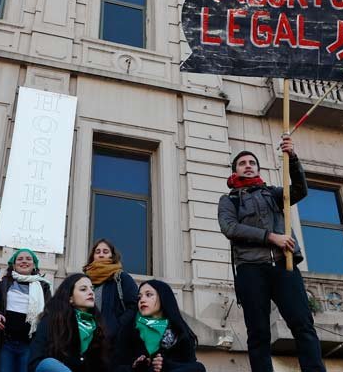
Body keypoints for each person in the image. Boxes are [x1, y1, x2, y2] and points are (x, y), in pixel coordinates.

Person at [217, 134, 325, 372]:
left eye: (252, 163)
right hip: (250, 270)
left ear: (257, 169)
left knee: (303, 325)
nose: (248, 166)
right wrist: (271, 237)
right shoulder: (229, 200)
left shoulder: (274, 194)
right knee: (258, 332)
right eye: (242, 163)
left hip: (282, 266)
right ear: (235, 170)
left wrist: (293, 158)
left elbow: (300, 189)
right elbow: (230, 228)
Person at [112, 280, 205, 372]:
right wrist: (134, 367)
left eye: (148, 295)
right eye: (139, 297)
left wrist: (166, 365)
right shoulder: (129, 329)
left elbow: (192, 366)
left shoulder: (179, 331)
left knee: (199, 367)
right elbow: (115, 367)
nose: (142, 300)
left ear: (163, 297)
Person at [26, 273, 108, 372]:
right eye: (83, 289)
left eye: (92, 289)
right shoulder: (51, 321)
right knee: (49, 363)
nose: (91, 292)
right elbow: (37, 362)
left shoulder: (98, 326)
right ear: (70, 298)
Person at [0, 248, 52, 372]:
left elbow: (50, 315)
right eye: (20, 259)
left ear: (34, 265)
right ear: (13, 265)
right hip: (5, 342)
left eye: (28, 259)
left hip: (30, 344)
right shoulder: (4, 284)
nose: (24, 261)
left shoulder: (43, 286)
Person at [82, 239, 138, 341]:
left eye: (105, 252)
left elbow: (134, 306)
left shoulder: (121, 277)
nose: (101, 255)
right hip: (88, 339)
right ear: (93, 256)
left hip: (114, 341)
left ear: (112, 256)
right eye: (97, 252)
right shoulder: (84, 281)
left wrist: (116, 327)